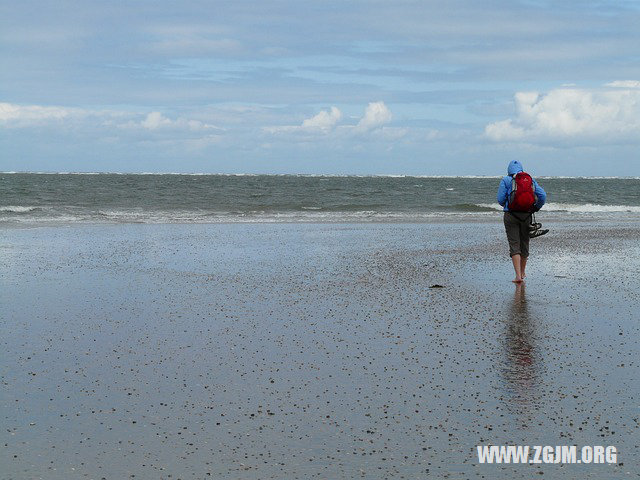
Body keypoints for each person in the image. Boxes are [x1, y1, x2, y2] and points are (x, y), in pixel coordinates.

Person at [497, 160, 546, 283]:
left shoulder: (506, 180)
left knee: (514, 244)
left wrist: (508, 205)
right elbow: (543, 195)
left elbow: (500, 199)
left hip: (511, 215)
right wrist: (536, 207)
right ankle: (523, 272)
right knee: (525, 243)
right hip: (526, 215)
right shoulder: (529, 179)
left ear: (509, 170)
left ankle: (518, 276)